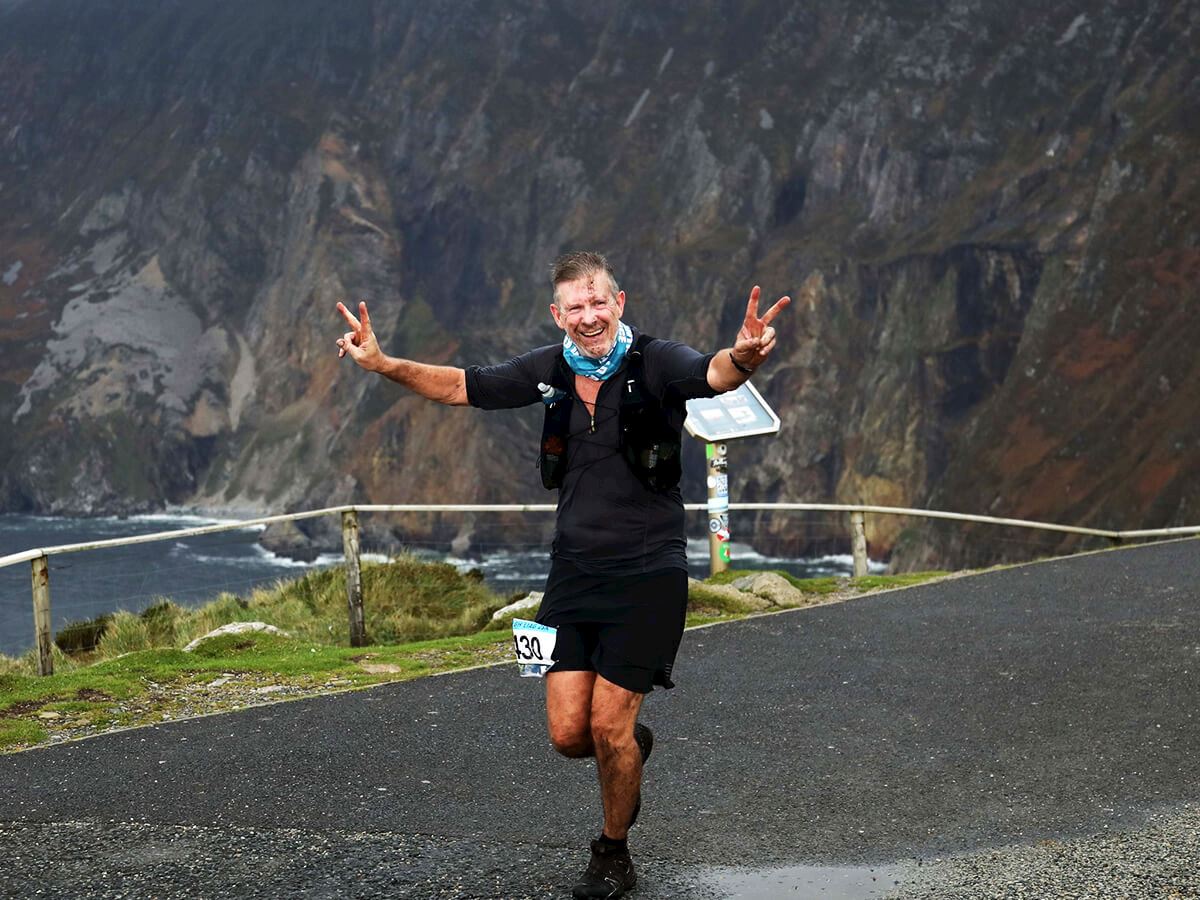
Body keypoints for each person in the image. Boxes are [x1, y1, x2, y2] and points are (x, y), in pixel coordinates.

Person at [336, 251, 789, 898]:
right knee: (568, 734)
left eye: (598, 302)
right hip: (570, 574)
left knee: (608, 725)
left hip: (649, 572)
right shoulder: (548, 370)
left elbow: (713, 374)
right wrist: (383, 365)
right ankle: (628, 749)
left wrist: (746, 353)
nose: (588, 316)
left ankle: (612, 852)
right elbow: (463, 385)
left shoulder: (656, 363)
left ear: (620, 302)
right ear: (558, 314)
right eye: (574, 307)